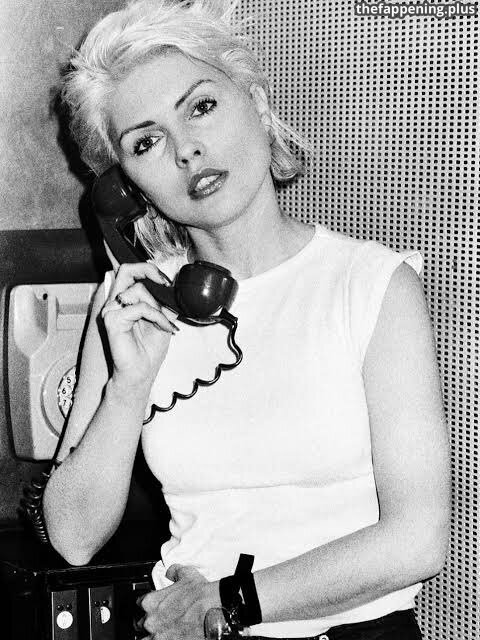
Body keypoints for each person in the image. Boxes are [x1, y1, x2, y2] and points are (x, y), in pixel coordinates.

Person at [43, 1, 451, 638]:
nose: (186, 150)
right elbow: (73, 537)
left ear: (256, 104)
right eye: (146, 142)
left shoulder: (374, 286)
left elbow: (418, 540)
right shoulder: (131, 304)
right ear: (128, 185)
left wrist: (225, 604)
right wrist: (128, 386)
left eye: (200, 106)